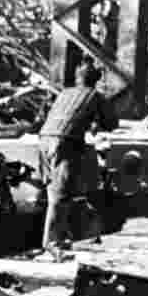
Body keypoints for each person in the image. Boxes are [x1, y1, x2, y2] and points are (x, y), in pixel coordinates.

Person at [38, 63, 117, 254]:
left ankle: (63, 236)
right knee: (61, 196)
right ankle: (51, 244)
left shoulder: (64, 93)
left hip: (44, 140)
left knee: (55, 192)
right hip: (64, 143)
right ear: (96, 80)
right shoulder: (94, 96)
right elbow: (111, 123)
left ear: (77, 77)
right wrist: (97, 121)